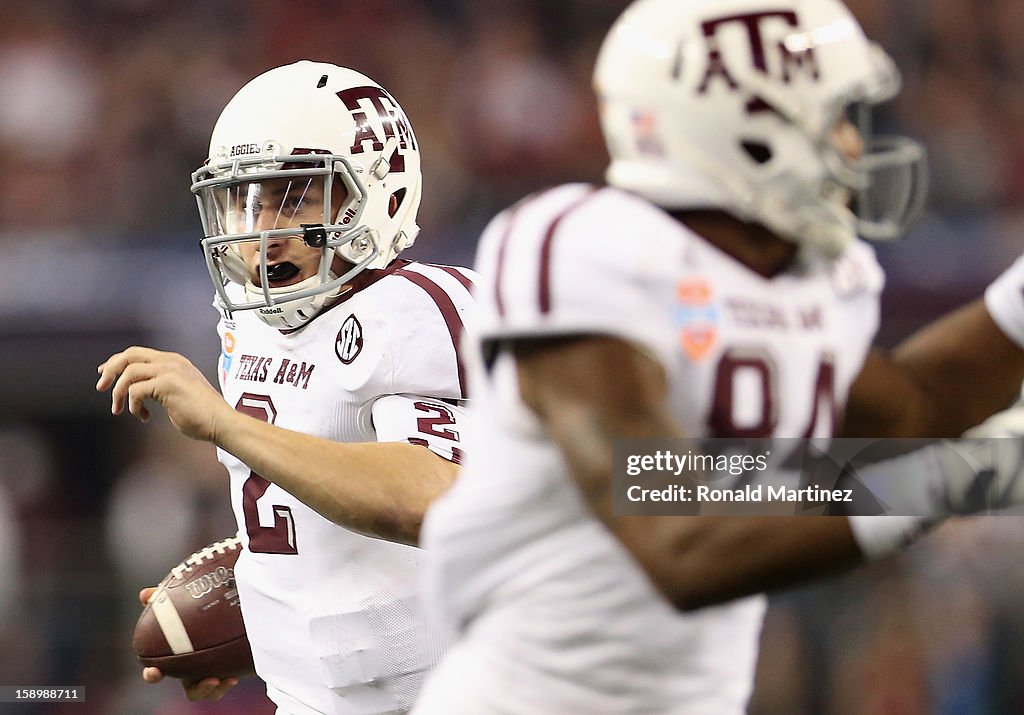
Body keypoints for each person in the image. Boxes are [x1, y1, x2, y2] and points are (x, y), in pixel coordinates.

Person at [410, 1, 1024, 713]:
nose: (855, 147)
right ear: (742, 129)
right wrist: (960, 478)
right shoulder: (582, 244)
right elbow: (670, 523)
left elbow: (912, 406)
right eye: (832, 119)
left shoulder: (804, 277)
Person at [97, 61, 475, 713]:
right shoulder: (248, 327)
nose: (262, 225)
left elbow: (435, 499)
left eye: (294, 195)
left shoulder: (412, 309)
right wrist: (264, 616)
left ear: (376, 194)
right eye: (245, 197)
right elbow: (316, 514)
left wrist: (224, 423)